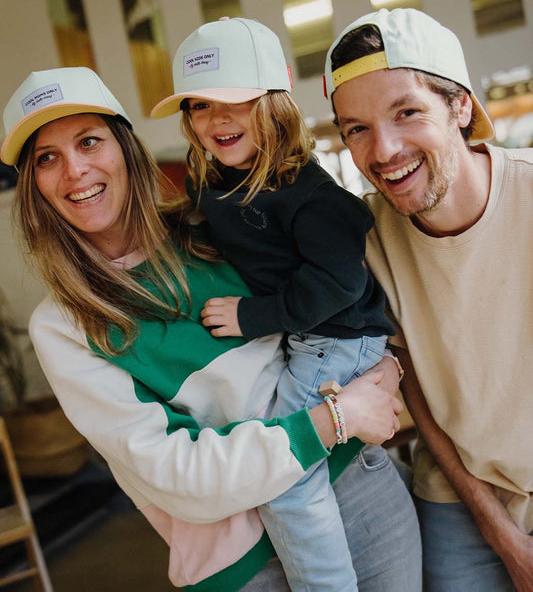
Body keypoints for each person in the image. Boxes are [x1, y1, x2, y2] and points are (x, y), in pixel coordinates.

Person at [1, 66, 422, 591]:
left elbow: (329, 307)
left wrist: (379, 362)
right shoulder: (63, 325)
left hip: (355, 490)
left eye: (90, 141)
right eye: (46, 158)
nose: (75, 171)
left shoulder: (212, 226)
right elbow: (176, 473)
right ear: (34, 185)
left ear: (126, 150)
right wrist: (338, 416)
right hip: (242, 563)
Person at [151, 16, 403, 591]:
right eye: (196, 105)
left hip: (335, 339)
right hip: (309, 338)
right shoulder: (218, 183)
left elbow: (335, 287)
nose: (214, 119)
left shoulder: (310, 197)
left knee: (286, 476)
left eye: (233, 101)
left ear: (275, 104)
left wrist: (250, 315)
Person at [324, 7, 533, 591]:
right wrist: (502, 535)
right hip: (458, 492)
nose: (383, 150)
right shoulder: (361, 241)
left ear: (460, 105)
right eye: (355, 127)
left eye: (407, 112)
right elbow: (414, 386)